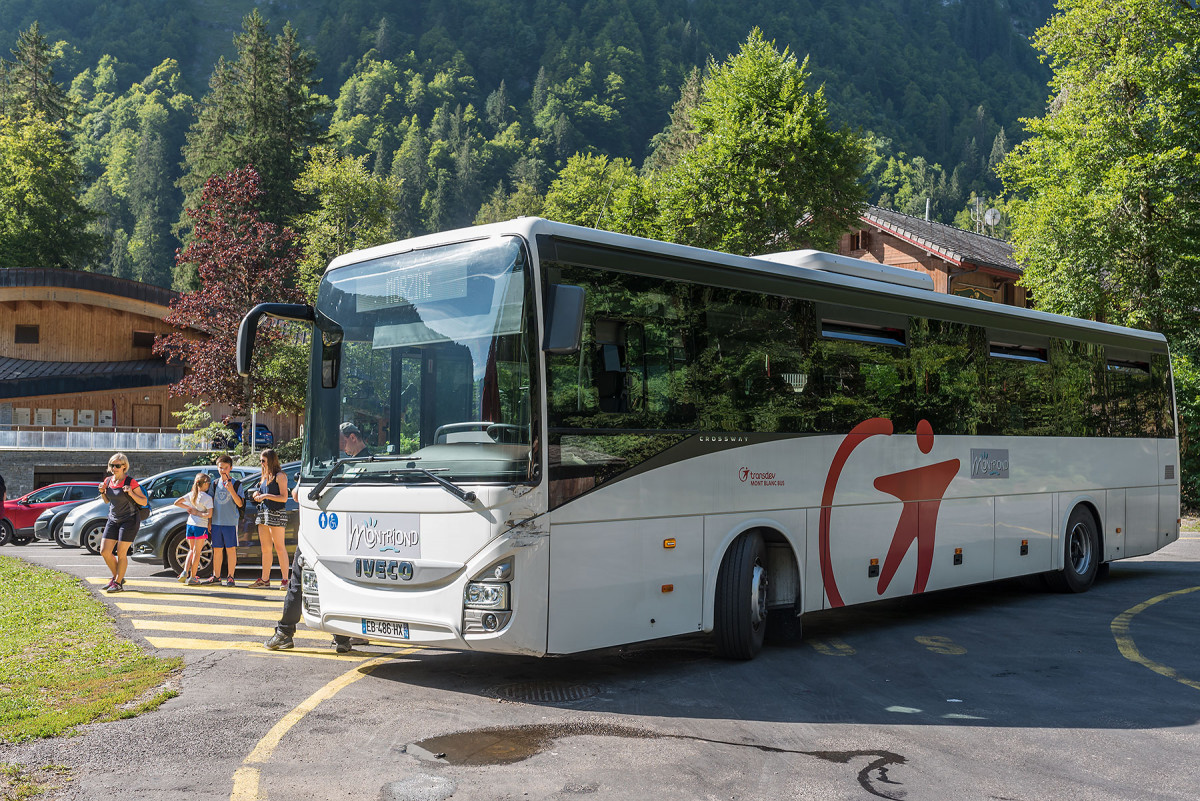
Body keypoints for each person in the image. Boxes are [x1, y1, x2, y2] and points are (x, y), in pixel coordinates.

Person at [265, 423, 368, 653]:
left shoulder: (329, 463)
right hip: (343, 531)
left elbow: (297, 494)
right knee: (335, 581)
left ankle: (285, 632)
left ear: (352, 437)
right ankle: (342, 637)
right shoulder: (358, 462)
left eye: (343, 442)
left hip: (320, 528)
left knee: (298, 581)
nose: (341, 447)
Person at [98, 453, 148, 593]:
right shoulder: (108, 481)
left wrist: (131, 493)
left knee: (121, 552)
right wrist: (103, 492)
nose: (114, 468)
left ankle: (118, 583)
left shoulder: (130, 482)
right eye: (112, 465)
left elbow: (144, 501)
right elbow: (107, 501)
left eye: (117, 466)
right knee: (105, 551)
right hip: (113, 519)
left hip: (129, 520)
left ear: (124, 466)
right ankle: (117, 578)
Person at [250, 449, 289, 589]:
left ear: (271, 460)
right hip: (264, 513)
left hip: (276, 512)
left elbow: (284, 497)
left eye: (263, 461)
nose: (261, 463)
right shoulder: (264, 476)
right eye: (260, 460)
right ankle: (265, 579)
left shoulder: (280, 476)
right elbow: (260, 491)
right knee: (265, 548)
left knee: (279, 547)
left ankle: (285, 580)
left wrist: (265, 496)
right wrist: (257, 493)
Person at [206, 453, 244, 587]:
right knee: (217, 549)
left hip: (230, 522)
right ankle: (216, 576)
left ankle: (230, 576)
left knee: (231, 549)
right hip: (216, 522)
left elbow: (240, 504)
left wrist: (231, 490)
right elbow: (210, 504)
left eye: (225, 468)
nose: (222, 470)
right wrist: (209, 522)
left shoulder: (237, 484)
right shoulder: (215, 483)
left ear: (231, 468)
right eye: (220, 468)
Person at [173, 473, 213, 585]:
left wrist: (189, 508)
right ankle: (193, 577)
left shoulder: (191, 494)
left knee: (191, 549)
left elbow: (177, 502)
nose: (209, 486)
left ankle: (184, 572)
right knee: (197, 552)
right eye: (208, 483)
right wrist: (199, 513)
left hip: (190, 524)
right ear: (205, 483)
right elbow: (209, 514)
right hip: (200, 526)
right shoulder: (207, 498)